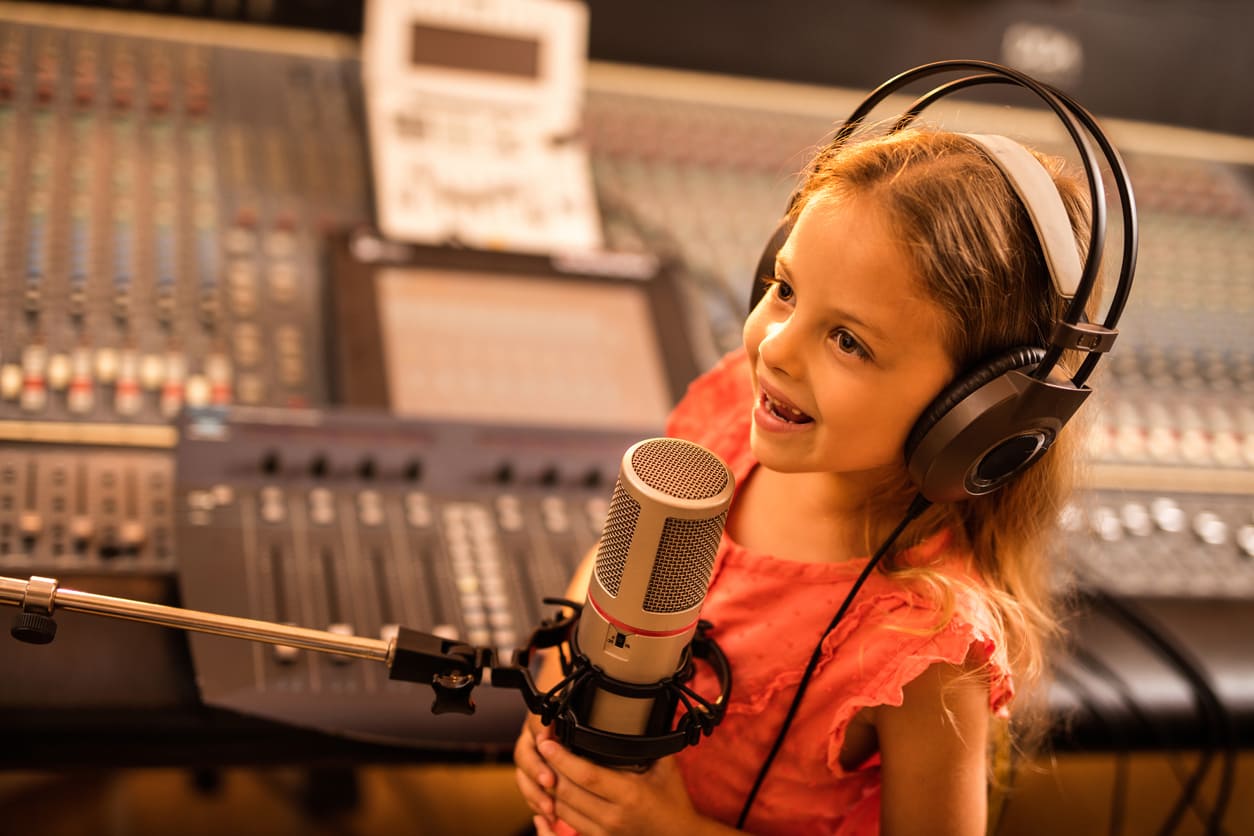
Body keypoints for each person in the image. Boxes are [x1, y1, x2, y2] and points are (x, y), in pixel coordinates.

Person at [513, 124, 1096, 835]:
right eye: (785, 290)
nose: (775, 348)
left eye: (848, 340)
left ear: (977, 414)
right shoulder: (730, 416)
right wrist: (555, 714)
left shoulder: (922, 644)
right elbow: (612, 569)